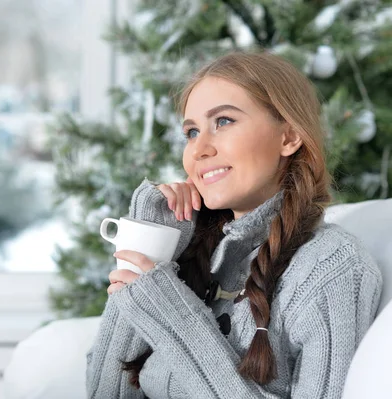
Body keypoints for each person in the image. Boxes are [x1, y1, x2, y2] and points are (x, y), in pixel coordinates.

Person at [85, 51, 383, 398]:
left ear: (288, 137)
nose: (199, 149)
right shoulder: (195, 252)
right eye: (192, 131)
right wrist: (150, 245)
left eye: (223, 121)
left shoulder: (332, 267)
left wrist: (173, 315)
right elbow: (106, 393)